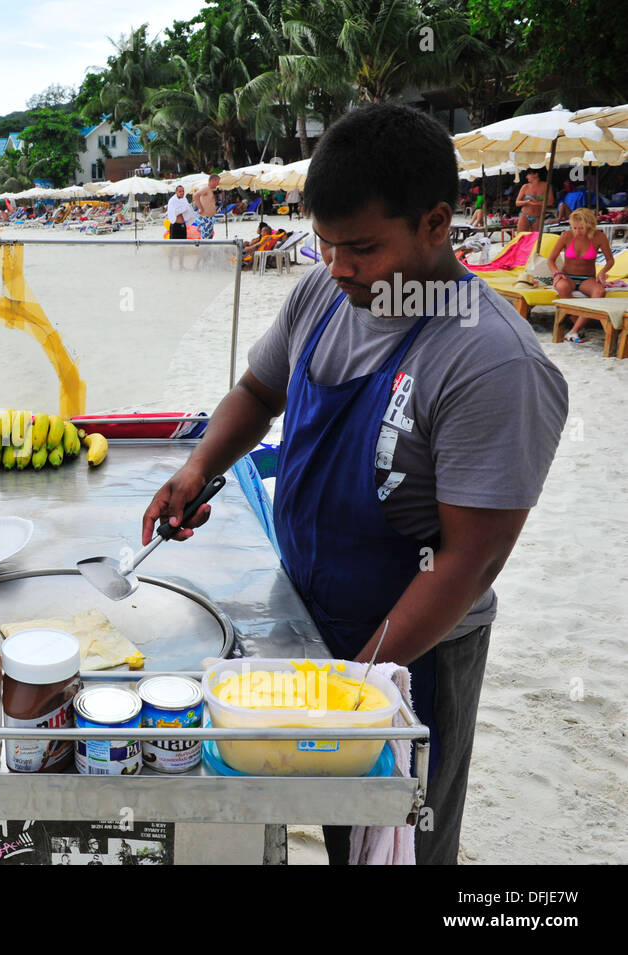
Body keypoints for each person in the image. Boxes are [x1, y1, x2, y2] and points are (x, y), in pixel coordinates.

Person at [142, 102, 567, 866]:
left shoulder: (490, 362)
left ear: (436, 224)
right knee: (329, 821)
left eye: (363, 248)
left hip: (416, 649)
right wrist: (198, 466)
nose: (339, 267)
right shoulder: (322, 295)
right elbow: (256, 392)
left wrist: (361, 683)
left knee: (404, 837)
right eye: (326, 244)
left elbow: (469, 560)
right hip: (307, 614)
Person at [547, 206, 614, 342]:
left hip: (587, 279)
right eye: (574, 228)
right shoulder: (566, 236)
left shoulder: (599, 236)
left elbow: (610, 260)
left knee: (600, 291)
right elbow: (550, 260)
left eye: (581, 228)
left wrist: (602, 272)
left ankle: (574, 330)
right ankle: (578, 325)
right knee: (562, 287)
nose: (577, 231)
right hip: (567, 276)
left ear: (590, 225)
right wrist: (557, 273)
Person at [191, 174, 221, 239]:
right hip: (205, 218)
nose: (218, 184)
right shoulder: (206, 188)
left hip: (209, 218)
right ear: (213, 180)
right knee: (205, 239)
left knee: (209, 238)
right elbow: (195, 195)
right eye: (218, 182)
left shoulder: (210, 189)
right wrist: (200, 208)